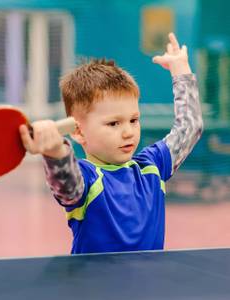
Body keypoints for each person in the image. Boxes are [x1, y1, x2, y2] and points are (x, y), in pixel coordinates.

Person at [19, 33, 203, 254]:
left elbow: (189, 127)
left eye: (134, 120)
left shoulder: (152, 166)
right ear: (78, 131)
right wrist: (55, 151)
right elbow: (67, 184)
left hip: (149, 285)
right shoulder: (86, 178)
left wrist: (180, 70)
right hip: (95, 288)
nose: (128, 132)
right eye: (114, 123)